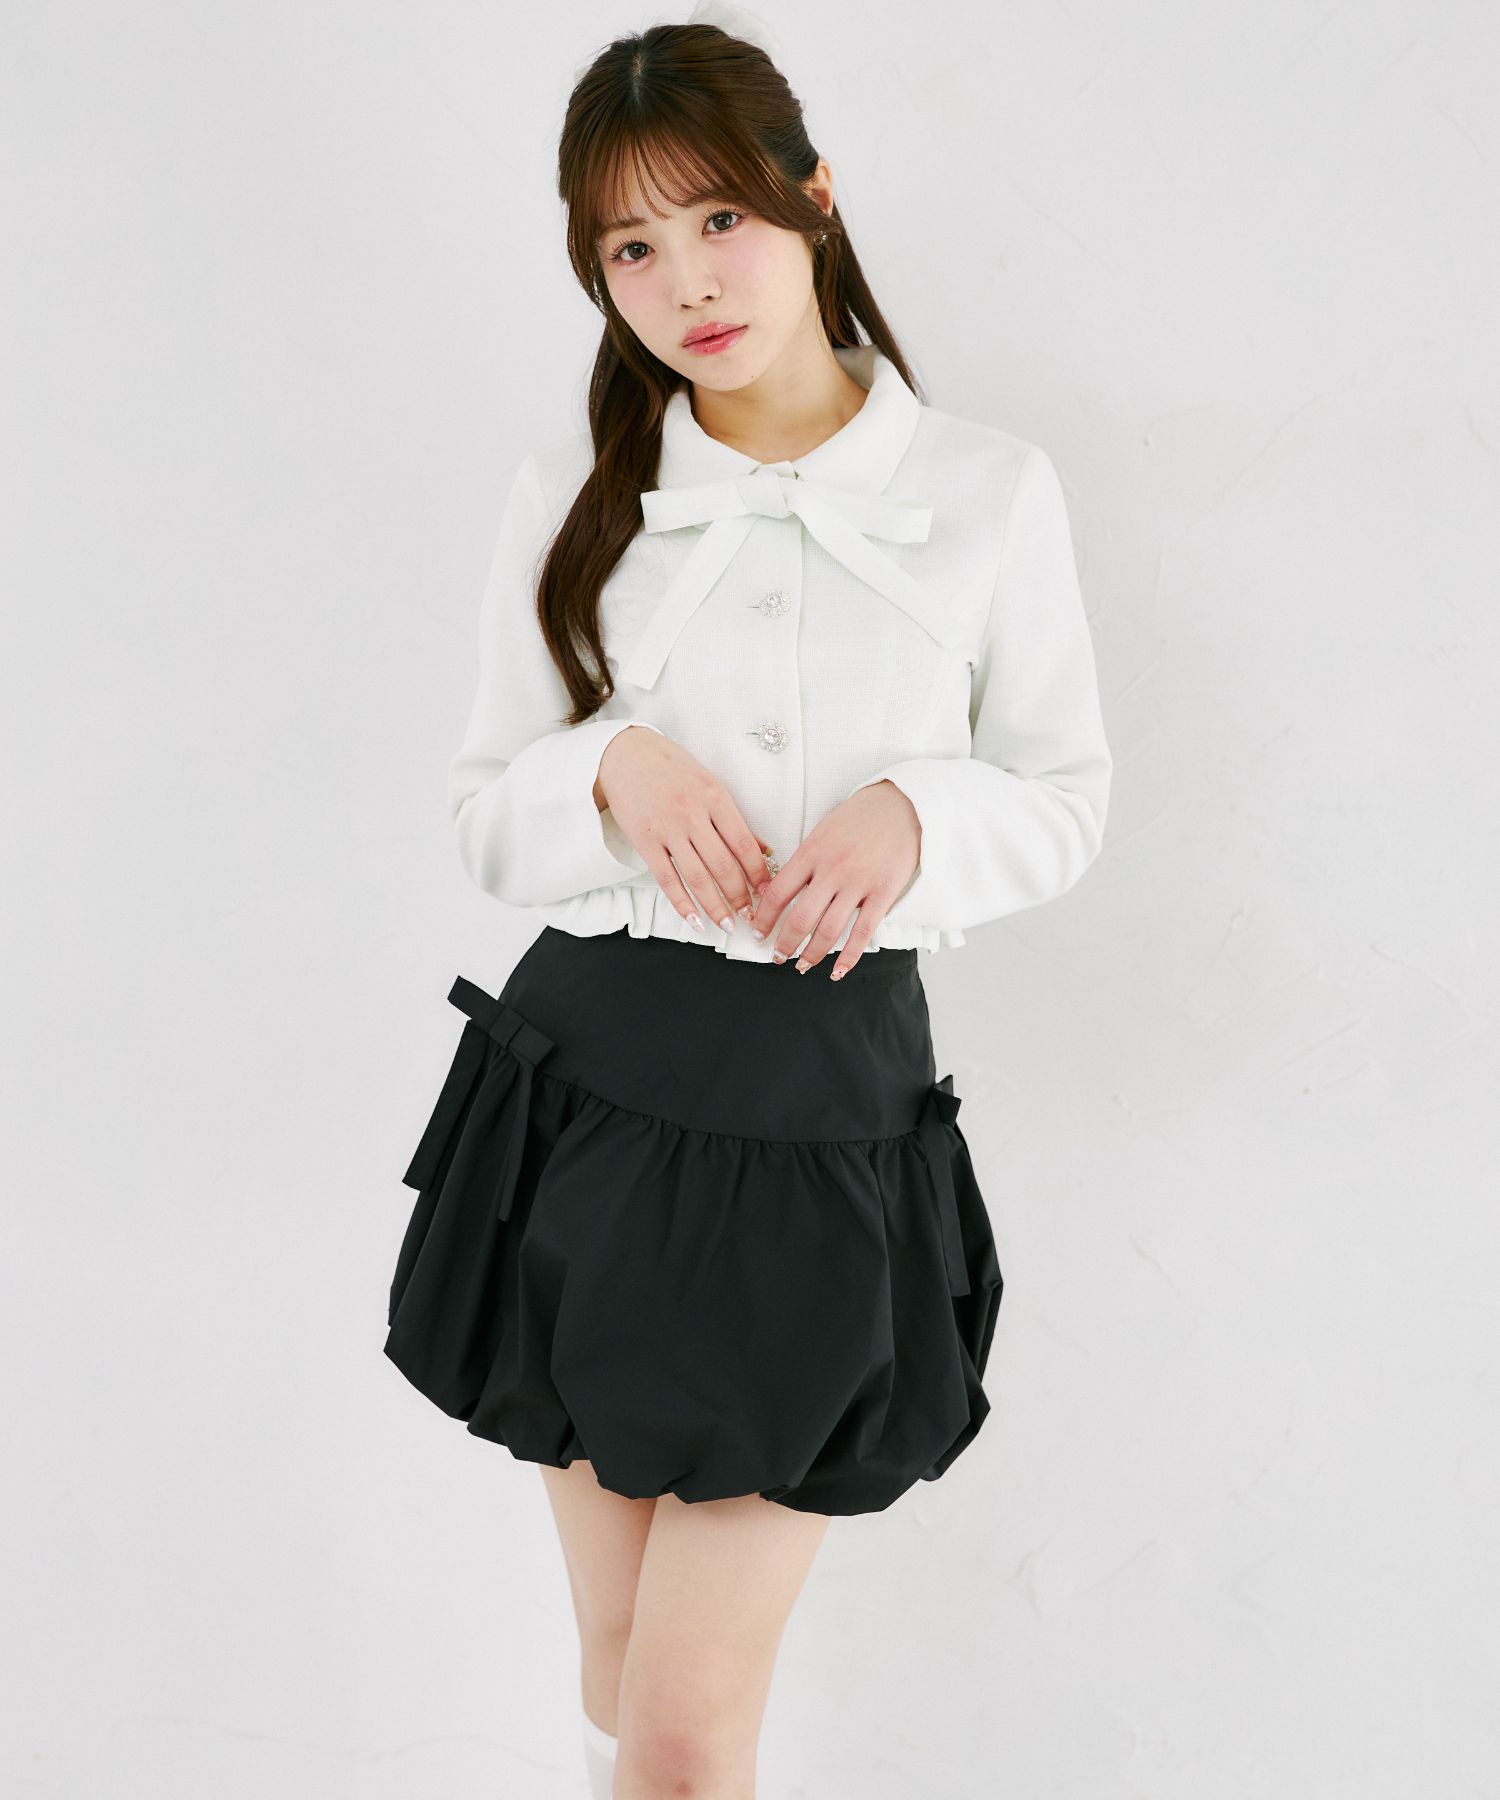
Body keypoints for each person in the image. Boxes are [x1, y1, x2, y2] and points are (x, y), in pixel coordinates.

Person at [383, 4, 1113, 1795]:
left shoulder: (986, 491)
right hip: (588, 1096)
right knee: (621, 1670)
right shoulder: (581, 487)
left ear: (813, 197)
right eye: (631, 246)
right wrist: (610, 773)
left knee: (690, 1729)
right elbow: (486, 814)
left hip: (819, 1120)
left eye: (718, 217)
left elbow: (1065, 800)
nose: (686, 280)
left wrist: (915, 814)